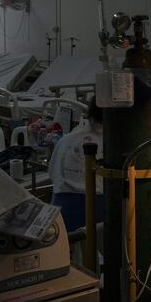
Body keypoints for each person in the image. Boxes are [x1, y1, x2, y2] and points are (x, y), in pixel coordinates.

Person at [49, 98, 105, 230]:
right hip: (94, 209)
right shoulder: (110, 142)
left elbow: (52, 173)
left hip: (60, 210)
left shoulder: (66, 139)